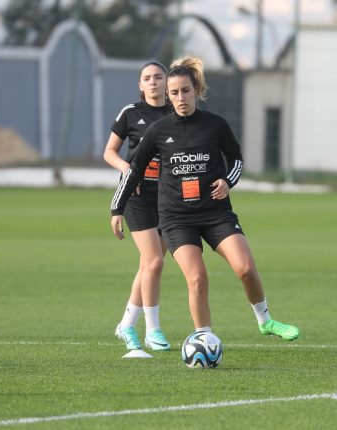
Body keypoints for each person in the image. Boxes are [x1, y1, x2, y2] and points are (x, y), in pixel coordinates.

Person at [110, 55, 300, 341]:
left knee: (246, 269)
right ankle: (204, 338)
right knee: (197, 277)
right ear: (168, 95)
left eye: (185, 90)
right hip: (176, 219)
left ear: (195, 90)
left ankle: (265, 320)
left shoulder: (215, 124)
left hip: (216, 214)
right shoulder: (158, 131)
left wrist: (227, 181)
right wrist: (117, 208)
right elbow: (135, 170)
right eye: (174, 93)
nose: (180, 97)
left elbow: (236, 160)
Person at [104, 61, 172, 352]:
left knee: (149, 264)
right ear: (140, 85)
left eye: (158, 77)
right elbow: (109, 152)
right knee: (154, 262)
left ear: (167, 82)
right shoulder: (130, 113)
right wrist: (128, 170)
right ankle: (152, 330)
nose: (154, 82)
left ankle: (126, 324)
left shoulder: (178, 112)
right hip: (138, 196)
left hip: (168, 197)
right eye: (147, 78)